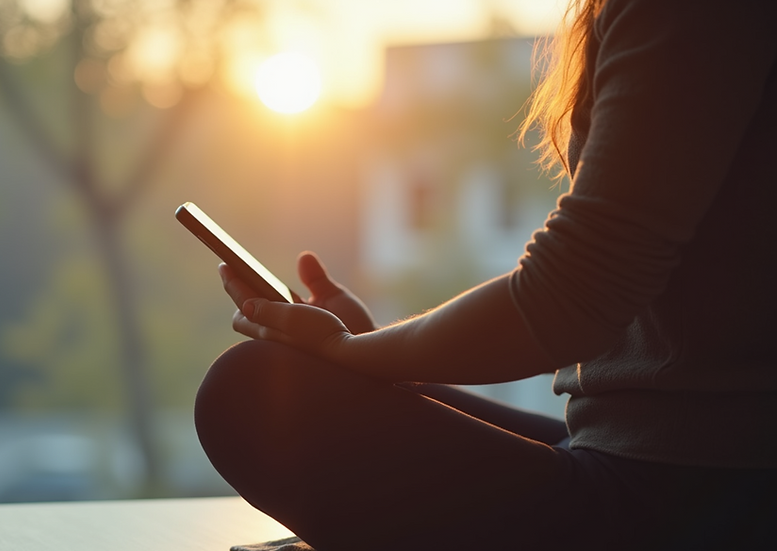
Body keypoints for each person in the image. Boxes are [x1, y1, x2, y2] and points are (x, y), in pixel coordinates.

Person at [194, 0, 777, 549]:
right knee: (314, 383)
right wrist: (358, 350)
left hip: (690, 492)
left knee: (247, 392)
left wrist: (351, 351)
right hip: (655, 452)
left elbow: (571, 295)